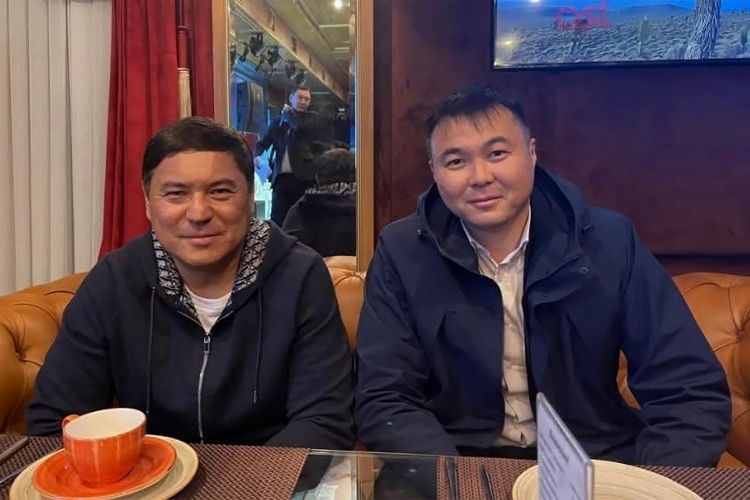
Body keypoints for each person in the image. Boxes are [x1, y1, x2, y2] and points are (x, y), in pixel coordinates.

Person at [355, 84, 731, 467]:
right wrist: (453, 479)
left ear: (531, 153)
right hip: (455, 459)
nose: (480, 176)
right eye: (455, 162)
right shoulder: (403, 251)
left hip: (593, 460)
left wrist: (648, 484)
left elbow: (688, 390)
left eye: (497, 153)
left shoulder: (609, 242)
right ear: (434, 171)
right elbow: (385, 397)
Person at [27, 117, 355, 450]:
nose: (198, 213)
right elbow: (54, 420)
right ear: (148, 203)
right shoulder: (114, 280)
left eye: (220, 191)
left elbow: (324, 422)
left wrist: (243, 479)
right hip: (148, 470)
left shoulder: (299, 275)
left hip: (270, 470)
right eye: (176, 194)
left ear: (250, 197)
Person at [254, 86, 332, 226]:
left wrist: (288, 115)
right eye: (300, 98)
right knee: (277, 219)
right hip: (281, 179)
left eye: (307, 99)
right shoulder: (279, 121)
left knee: (303, 219)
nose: (303, 102)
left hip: (304, 179)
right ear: (291, 98)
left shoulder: (312, 119)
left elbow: (300, 128)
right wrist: (257, 156)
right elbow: (262, 143)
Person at [283, 148, 356, 257]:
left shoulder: (302, 207)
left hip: (312, 266)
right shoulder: (368, 205)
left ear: (317, 177)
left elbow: (286, 252)